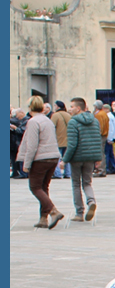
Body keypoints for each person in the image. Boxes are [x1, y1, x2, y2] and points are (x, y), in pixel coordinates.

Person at [17, 96, 63, 228]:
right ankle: (43, 218)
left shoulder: (33, 122)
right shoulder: (47, 120)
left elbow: (31, 145)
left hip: (40, 158)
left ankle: (53, 211)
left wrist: (26, 164)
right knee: (43, 187)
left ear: (30, 107)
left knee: (35, 187)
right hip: (53, 156)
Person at [60, 97, 102, 222]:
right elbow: (98, 140)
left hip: (77, 158)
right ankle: (91, 201)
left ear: (78, 108)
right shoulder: (94, 121)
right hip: (90, 157)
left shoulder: (73, 122)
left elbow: (72, 144)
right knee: (87, 182)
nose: (70, 109)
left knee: (76, 184)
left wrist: (64, 160)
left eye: (72, 106)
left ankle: (79, 212)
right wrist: (98, 157)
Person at [51, 101, 72, 179]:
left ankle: (57, 173)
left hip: (58, 139)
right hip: (68, 139)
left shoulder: (55, 115)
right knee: (67, 158)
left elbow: (51, 126)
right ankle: (68, 173)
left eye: (55, 105)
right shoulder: (68, 115)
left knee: (57, 158)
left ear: (58, 107)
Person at [92, 101, 109, 177]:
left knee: (100, 153)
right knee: (102, 153)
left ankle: (100, 170)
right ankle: (101, 170)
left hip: (100, 136)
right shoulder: (104, 113)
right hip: (104, 135)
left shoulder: (98, 115)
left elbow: (99, 126)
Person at [11, 108, 28, 178]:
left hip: (22, 141)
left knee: (22, 158)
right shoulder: (22, 121)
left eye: (17, 115)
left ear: (22, 113)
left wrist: (15, 128)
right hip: (18, 141)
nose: (17, 117)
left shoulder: (26, 120)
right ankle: (21, 172)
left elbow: (22, 131)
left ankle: (23, 173)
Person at [104, 103, 115, 174]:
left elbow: (110, 129)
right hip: (112, 137)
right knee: (110, 154)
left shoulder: (108, 117)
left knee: (107, 153)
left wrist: (109, 138)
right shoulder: (111, 116)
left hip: (109, 138)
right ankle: (113, 167)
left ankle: (108, 168)